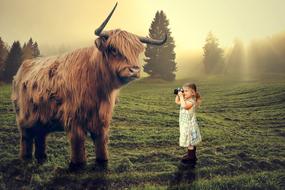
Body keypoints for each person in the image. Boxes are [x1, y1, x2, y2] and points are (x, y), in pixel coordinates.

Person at [175, 83, 202, 164]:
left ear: (193, 93)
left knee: (190, 142)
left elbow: (184, 106)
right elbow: (177, 102)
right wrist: (178, 94)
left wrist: (181, 96)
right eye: (183, 90)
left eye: (186, 91)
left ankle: (191, 158)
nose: (184, 92)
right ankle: (192, 155)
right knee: (190, 142)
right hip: (185, 124)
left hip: (189, 126)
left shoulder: (191, 101)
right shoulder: (186, 99)